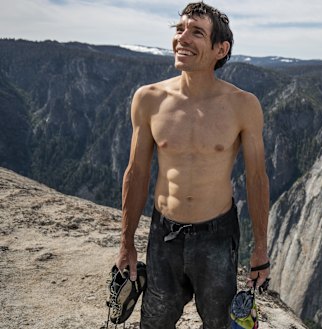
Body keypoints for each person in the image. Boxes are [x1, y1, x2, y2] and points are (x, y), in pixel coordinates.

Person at [115, 2, 270, 328]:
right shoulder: (149, 98)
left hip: (217, 235)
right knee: (154, 322)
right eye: (179, 29)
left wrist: (260, 250)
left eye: (196, 32)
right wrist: (126, 243)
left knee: (218, 322)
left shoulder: (243, 105)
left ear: (220, 48)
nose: (182, 38)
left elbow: (256, 178)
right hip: (163, 234)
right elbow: (137, 172)